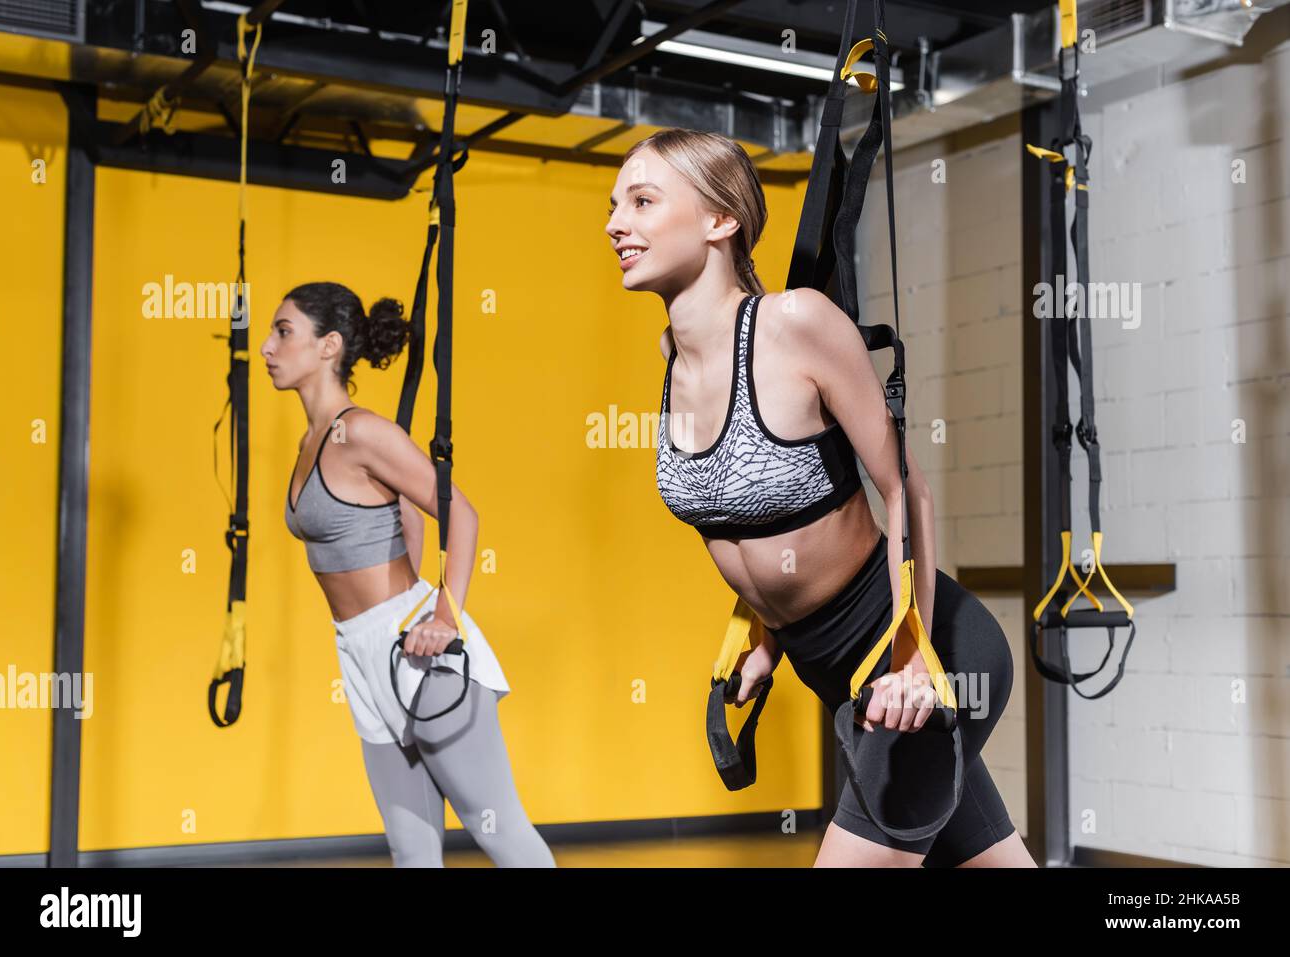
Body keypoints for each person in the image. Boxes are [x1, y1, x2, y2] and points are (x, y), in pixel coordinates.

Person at [606, 129, 1036, 867]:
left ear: (720, 221)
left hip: (923, 654)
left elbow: (908, 491)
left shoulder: (796, 324)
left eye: (643, 201)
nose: (615, 222)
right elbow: (749, 513)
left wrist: (912, 657)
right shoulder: (671, 358)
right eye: (615, 203)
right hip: (831, 668)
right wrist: (764, 638)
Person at [261, 281, 554, 868]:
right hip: (363, 656)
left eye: (283, 331)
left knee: (497, 830)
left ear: (329, 346)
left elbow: (460, 513)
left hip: (422, 657)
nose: (266, 346)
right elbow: (405, 521)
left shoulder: (364, 431)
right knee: (411, 851)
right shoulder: (311, 441)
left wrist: (443, 615)